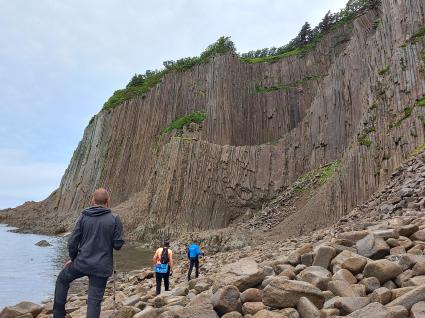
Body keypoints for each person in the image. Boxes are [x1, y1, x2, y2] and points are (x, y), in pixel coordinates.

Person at [53, 188, 125, 318]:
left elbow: (72, 241)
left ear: (93, 201)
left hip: (81, 263)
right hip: (101, 267)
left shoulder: (83, 216)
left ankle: (58, 315)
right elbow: (117, 245)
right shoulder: (115, 219)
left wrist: (73, 258)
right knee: (94, 302)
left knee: (62, 280)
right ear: (108, 201)